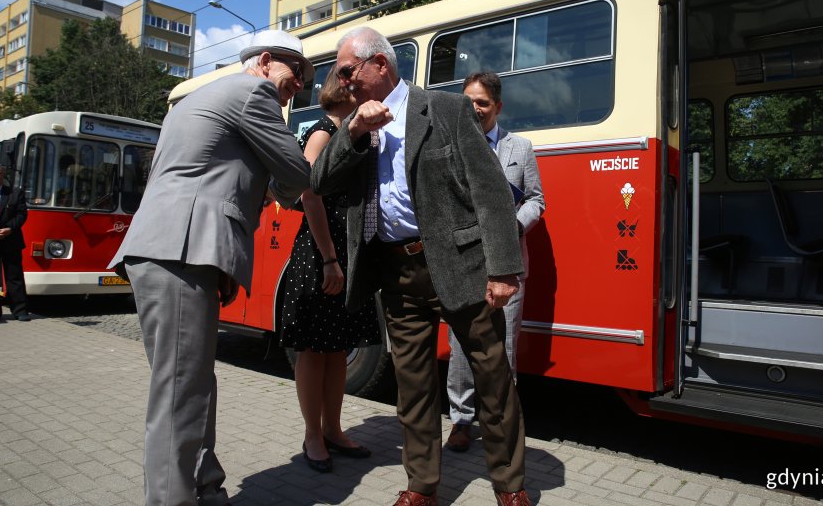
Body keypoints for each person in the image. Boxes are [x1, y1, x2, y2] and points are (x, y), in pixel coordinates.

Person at [312, 27, 530, 506]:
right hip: (397, 273)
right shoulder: (354, 124)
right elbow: (319, 179)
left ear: (380, 65)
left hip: (461, 264)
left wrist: (502, 269)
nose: (342, 81)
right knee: (412, 385)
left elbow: (492, 193)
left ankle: (510, 486)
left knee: (492, 378)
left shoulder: (447, 110)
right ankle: (422, 486)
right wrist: (353, 131)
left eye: (347, 71)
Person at [108, 29, 313, 506]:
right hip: (181, 250)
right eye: (292, 79)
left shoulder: (194, 101)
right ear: (265, 61)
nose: (293, 92)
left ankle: (205, 484)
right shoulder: (252, 91)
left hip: (168, 248)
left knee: (190, 381)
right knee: (180, 391)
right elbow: (296, 175)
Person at [281, 68, 381, 473]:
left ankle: (334, 430)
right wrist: (329, 258)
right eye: (354, 87)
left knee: (337, 347)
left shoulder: (350, 133)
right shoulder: (323, 131)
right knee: (312, 348)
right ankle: (312, 435)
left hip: (345, 249)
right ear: (344, 92)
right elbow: (310, 193)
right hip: (322, 251)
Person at [445, 72, 545, 453]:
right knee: (460, 347)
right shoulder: (452, 147)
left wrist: (511, 226)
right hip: (464, 266)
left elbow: (537, 199)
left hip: (509, 267)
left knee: (504, 350)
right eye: (468, 100)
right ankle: (460, 421)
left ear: (497, 107)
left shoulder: (520, 147)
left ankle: (499, 422)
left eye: (482, 102)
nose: (474, 108)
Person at [0, 163, 30, 322]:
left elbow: (21, 214)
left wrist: (9, 229)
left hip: (10, 240)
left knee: (14, 276)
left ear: (3, 176)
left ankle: (20, 311)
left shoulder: (16, 193)